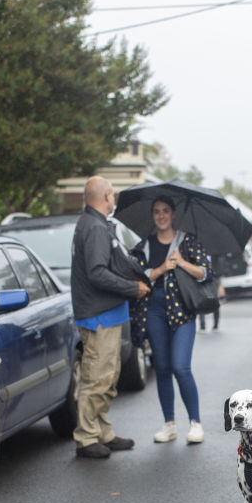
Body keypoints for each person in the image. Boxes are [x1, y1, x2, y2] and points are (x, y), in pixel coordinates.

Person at [70, 176, 151, 459]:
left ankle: (102, 431)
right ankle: (86, 437)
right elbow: (97, 273)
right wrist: (133, 288)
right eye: (112, 194)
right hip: (98, 315)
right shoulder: (93, 227)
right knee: (97, 377)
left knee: (109, 376)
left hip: (110, 313)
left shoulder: (100, 224)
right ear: (105, 196)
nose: (114, 198)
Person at [129, 196, 212, 444]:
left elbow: (205, 272)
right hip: (154, 309)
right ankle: (170, 424)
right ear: (152, 216)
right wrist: (163, 267)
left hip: (183, 310)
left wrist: (182, 262)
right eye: (156, 211)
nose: (161, 215)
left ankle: (196, 423)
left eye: (165, 211)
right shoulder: (144, 245)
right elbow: (139, 278)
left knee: (180, 367)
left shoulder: (187, 241)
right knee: (162, 369)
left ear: (173, 214)